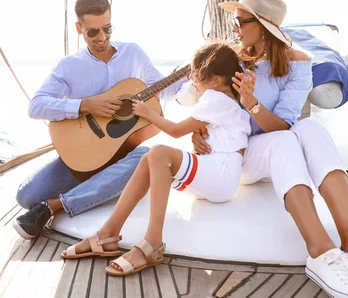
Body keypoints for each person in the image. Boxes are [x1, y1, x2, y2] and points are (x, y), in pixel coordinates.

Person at [191, 0, 348, 298]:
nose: (234, 28)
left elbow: (284, 124)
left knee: (311, 127)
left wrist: (251, 103)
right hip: (237, 156)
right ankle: (320, 252)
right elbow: (201, 101)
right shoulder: (228, 60)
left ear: (262, 25)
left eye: (240, 21)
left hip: (275, 146)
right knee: (284, 141)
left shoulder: (297, 65)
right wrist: (197, 130)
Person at [60, 41, 251, 277]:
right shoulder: (224, 99)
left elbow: (176, 130)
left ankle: (152, 243)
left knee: (159, 152)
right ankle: (108, 233)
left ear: (216, 80)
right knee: (150, 157)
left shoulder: (216, 99)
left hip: (220, 174)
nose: (192, 78)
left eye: (197, 74)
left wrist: (147, 112)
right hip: (217, 173)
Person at [12, 0, 183, 240]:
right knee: (26, 196)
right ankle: (95, 185)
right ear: (79, 28)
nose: (102, 37)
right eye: (93, 32)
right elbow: (36, 106)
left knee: (147, 157)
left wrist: (193, 73)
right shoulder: (69, 66)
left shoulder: (133, 53)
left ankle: (54, 206)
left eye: (107, 28)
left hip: (124, 156)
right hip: (86, 153)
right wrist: (84, 105)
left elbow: (163, 89)